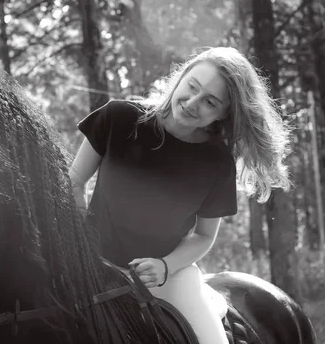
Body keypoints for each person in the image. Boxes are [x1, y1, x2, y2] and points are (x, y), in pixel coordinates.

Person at [68, 47, 291, 344]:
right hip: (90, 267)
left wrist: (165, 267)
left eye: (210, 102)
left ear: (224, 113)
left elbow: (203, 237)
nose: (193, 103)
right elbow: (74, 182)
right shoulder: (117, 117)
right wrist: (80, 242)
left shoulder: (217, 162)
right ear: (182, 76)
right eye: (193, 86)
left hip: (169, 278)